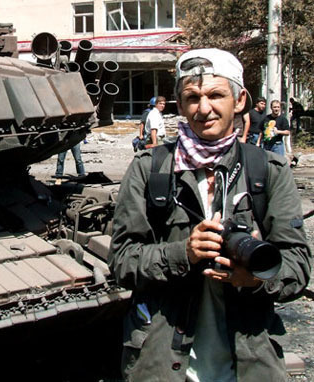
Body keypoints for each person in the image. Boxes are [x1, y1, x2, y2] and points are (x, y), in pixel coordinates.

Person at [109, 48, 311, 381]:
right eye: (192, 97)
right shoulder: (150, 169)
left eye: (216, 95)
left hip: (249, 362)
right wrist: (182, 253)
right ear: (180, 103)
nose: (204, 109)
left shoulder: (268, 170)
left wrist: (255, 279)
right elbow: (121, 261)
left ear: (240, 100)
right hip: (161, 363)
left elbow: (298, 265)